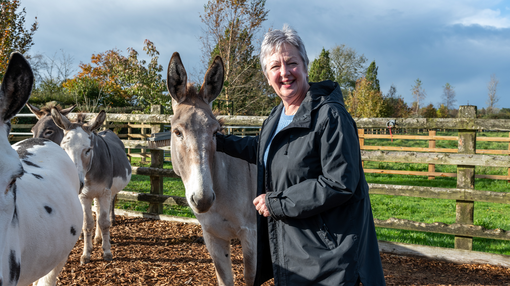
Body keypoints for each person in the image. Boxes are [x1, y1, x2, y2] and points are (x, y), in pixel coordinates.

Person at [216, 24, 386, 286]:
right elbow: (264, 149)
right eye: (275, 66)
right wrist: (216, 141)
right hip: (296, 255)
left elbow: (340, 183)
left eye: (291, 63)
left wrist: (277, 202)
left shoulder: (330, 116)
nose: (284, 73)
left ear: (305, 65)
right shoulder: (277, 116)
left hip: (331, 261)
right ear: (266, 75)